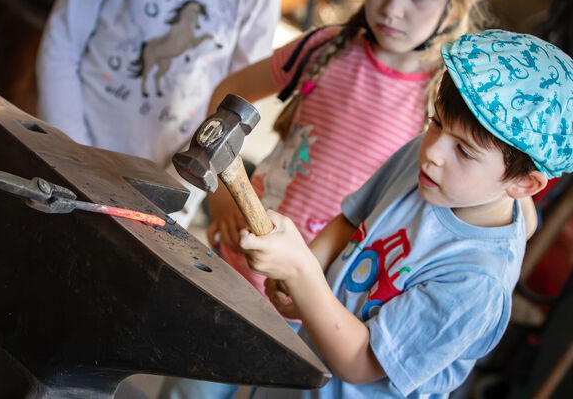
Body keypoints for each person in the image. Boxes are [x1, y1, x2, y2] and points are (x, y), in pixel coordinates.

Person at [239, 29, 573, 398]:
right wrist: (305, 273)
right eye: (437, 123)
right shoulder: (427, 167)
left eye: (463, 151)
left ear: (523, 185)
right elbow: (354, 220)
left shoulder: (477, 281)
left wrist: (302, 273)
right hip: (301, 373)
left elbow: (360, 363)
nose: (433, 151)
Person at [205, 0, 528, 298]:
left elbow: (517, 215)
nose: (392, 9)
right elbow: (231, 93)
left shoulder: (448, 100)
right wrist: (221, 200)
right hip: (238, 260)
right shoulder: (324, 47)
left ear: (457, 6)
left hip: (322, 300)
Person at [35, 0, 280, 227]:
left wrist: (174, 194)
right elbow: (62, 42)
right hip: (66, 157)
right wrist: (70, 151)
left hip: (156, 195)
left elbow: (235, 113)